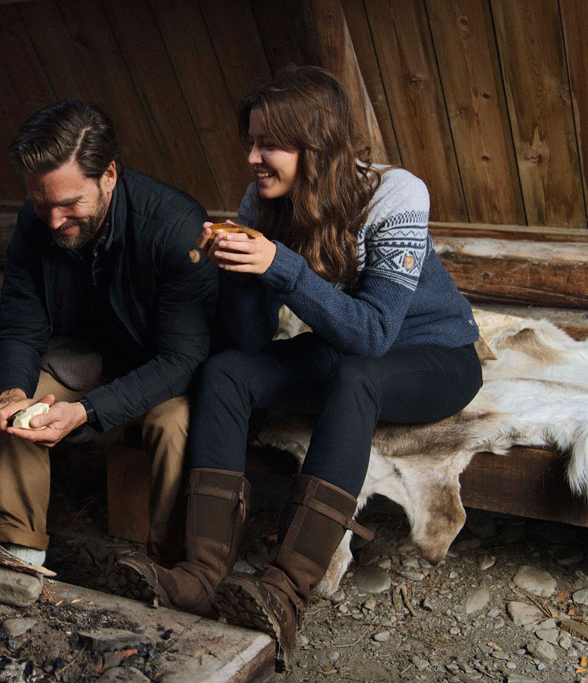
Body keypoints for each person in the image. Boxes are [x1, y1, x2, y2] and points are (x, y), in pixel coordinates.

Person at [113, 66, 483, 670]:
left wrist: (279, 266)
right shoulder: (263, 200)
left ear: (317, 145)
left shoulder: (396, 193)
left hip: (435, 356)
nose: (255, 157)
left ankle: (285, 591)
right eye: (252, 141)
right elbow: (251, 339)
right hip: (345, 351)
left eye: (271, 145)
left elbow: (374, 333)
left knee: (356, 376)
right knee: (229, 371)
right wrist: (238, 269)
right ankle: (202, 571)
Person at [0, 100, 218, 568]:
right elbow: (21, 327)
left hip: (167, 373)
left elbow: (183, 358)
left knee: (175, 426)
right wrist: (10, 394)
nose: (53, 222)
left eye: (70, 204)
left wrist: (86, 413)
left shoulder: (175, 227)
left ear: (109, 174)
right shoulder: (35, 223)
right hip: (89, 361)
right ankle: (17, 554)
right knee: (18, 409)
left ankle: (169, 569)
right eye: (40, 203)